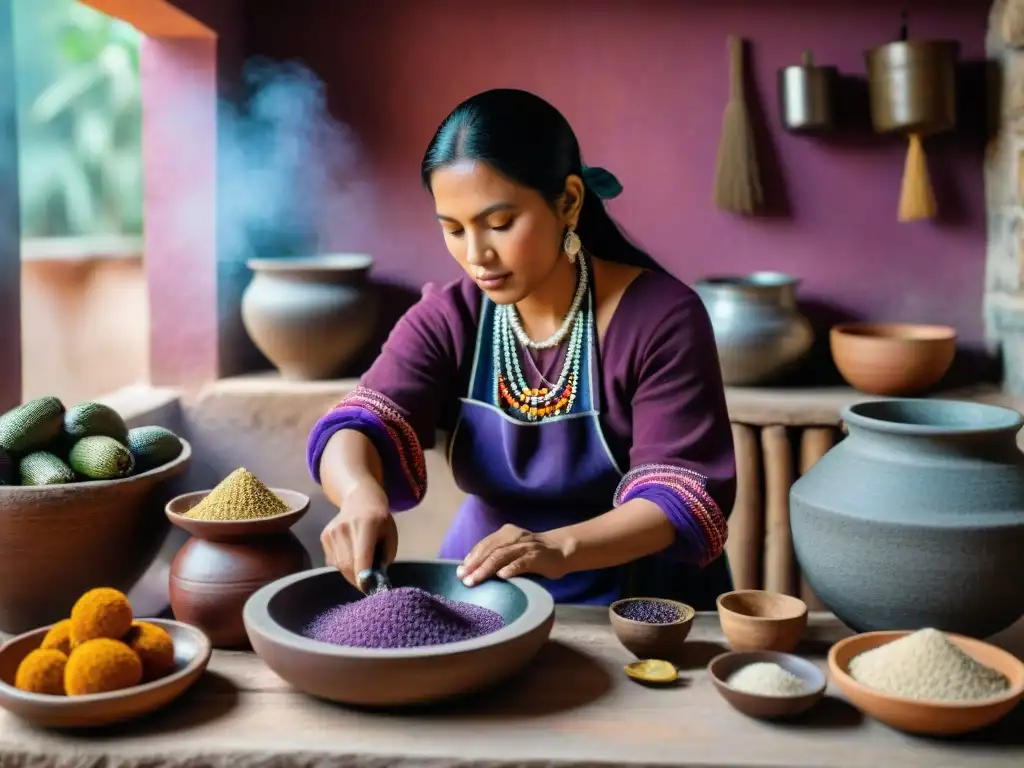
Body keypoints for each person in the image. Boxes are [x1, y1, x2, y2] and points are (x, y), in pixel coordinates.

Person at [307, 88, 736, 607]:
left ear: (569, 202)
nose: (476, 254)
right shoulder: (452, 316)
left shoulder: (661, 318)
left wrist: (556, 547)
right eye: (454, 229)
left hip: (637, 604)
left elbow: (681, 494)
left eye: (499, 224)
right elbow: (357, 422)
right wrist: (359, 494)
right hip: (484, 589)